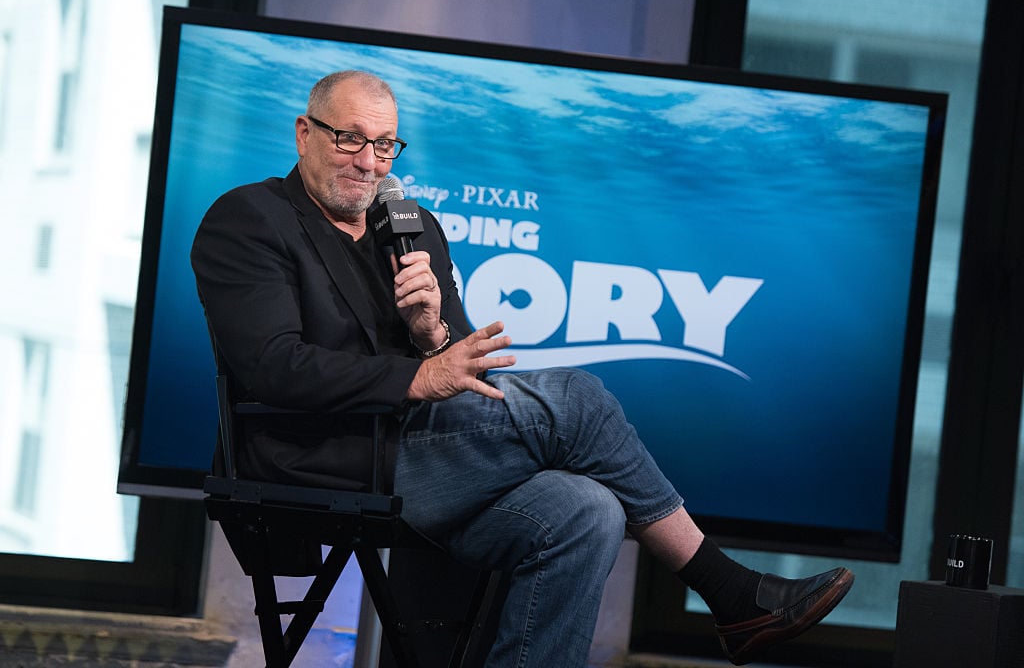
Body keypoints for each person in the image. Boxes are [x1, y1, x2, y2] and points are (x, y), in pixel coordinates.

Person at [191, 69, 853, 667]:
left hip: (416, 451)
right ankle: (727, 589)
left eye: (385, 145)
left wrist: (432, 333)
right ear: (304, 133)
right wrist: (420, 376)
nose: (369, 163)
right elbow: (272, 369)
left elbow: (458, 363)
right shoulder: (250, 219)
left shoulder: (411, 223)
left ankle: (733, 600)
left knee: (587, 509)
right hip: (317, 458)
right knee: (582, 400)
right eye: (349, 139)